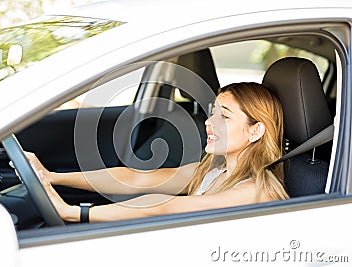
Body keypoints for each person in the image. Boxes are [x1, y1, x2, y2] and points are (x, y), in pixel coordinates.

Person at [25, 82, 289, 223]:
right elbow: (135, 178)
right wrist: (52, 177)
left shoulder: (258, 190)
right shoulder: (214, 171)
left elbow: (167, 207)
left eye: (225, 116)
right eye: (212, 113)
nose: (209, 123)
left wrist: (75, 212)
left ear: (255, 131)